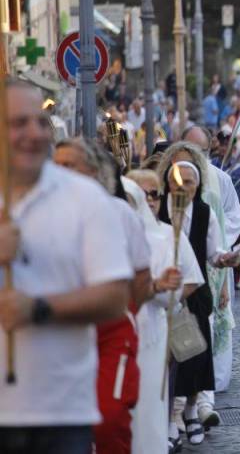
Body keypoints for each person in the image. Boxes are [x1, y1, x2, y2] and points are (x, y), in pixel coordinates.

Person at [0, 82, 133, 453]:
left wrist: (40, 308)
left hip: (61, 409)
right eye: (18, 123)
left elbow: (113, 296)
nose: (34, 133)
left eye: (41, 122)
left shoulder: (85, 197)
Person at [53, 138, 154, 454]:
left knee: (108, 420)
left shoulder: (120, 213)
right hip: (57, 330)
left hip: (110, 330)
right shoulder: (36, 211)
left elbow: (141, 275)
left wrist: (125, 316)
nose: (59, 173)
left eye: (68, 165)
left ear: (94, 173)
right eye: (55, 166)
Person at [157, 147, 238, 446]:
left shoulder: (204, 212)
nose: (183, 189)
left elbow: (214, 252)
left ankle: (192, 410)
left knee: (194, 354)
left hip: (196, 292)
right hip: (165, 290)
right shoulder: (159, 210)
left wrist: (225, 259)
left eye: (189, 183)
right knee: (169, 356)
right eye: (177, 183)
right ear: (168, 184)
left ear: (197, 185)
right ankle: (169, 416)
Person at [124, 171, 203, 454]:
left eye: (154, 194)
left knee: (151, 408)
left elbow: (191, 279)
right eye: (140, 194)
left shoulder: (169, 235)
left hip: (155, 332)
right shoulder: (109, 234)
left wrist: (169, 295)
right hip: (118, 332)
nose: (149, 200)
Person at [181, 126, 240, 418]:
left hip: (214, 260)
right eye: (190, 150)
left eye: (202, 151)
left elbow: (234, 215)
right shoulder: (174, 179)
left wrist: (218, 243)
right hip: (182, 264)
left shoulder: (221, 179)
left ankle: (215, 380)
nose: (196, 157)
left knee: (215, 319)